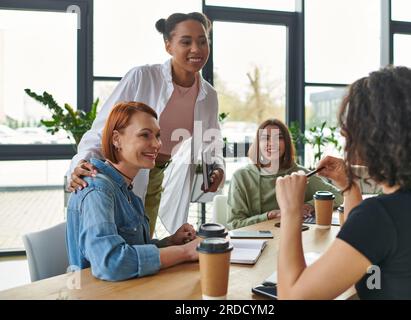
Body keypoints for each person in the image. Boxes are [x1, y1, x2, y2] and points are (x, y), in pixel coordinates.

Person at [276, 66, 411, 299]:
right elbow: (363, 244)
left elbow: (291, 296)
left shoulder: (381, 216)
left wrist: (290, 212)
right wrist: (350, 187)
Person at [67, 12, 224, 237]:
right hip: (119, 174)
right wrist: (81, 163)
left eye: (202, 41)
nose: (196, 49)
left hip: (157, 172)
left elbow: (211, 142)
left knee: (142, 241)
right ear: (168, 45)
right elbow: (103, 129)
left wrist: (216, 168)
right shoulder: (143, 77)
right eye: (186, 42)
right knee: (113, 244)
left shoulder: (209, 95)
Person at [66, 102, 201, 281]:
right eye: (145, 135)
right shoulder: (98, 190)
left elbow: (133, 249)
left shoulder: (129, 194)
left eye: (158, 136)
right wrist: (185, 252)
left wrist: (169, 242)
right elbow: (111, 262)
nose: (156, 144)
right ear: (116, 139)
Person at [227, 119, 343, 229]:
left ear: (286, 143)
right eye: (265, 138)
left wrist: (308, 206)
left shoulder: (300, 173)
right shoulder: (241, 177)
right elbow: (235, 224)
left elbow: (339, 195)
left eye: (279, 138)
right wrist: (269, 215)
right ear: (257, 144)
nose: (272, 143)